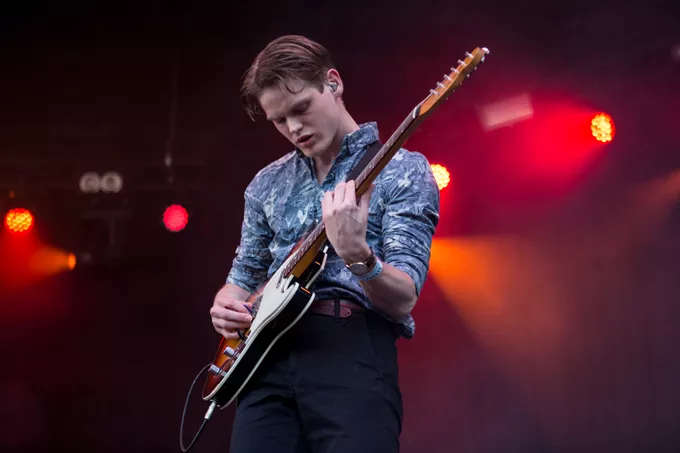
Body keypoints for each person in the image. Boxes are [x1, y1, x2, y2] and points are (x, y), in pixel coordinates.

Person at [210, 34, 440, 453]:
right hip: (266, 361)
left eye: (301, 109)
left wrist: (357, 256)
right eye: (279, 120)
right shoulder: (266, 183)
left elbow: (404, 298)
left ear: (333, 83)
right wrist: (226, 304)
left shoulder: (403, 171)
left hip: (350, 354)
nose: (294, 128)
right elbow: (242, 277)